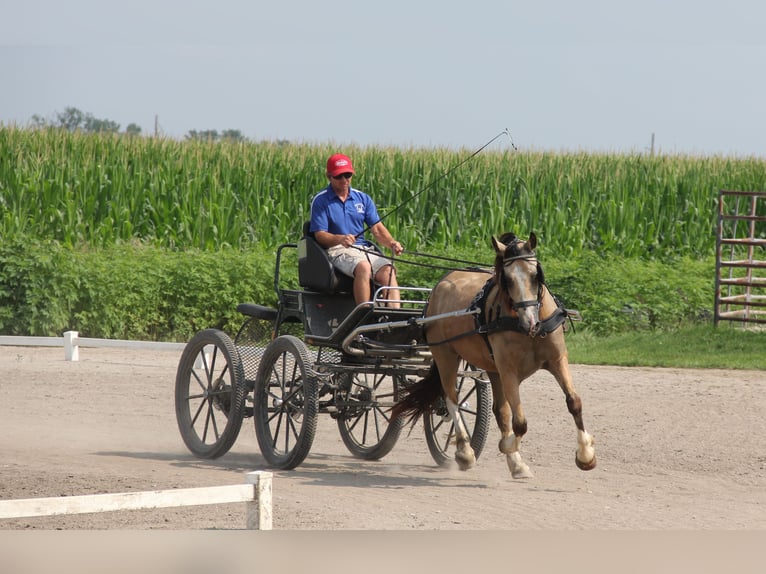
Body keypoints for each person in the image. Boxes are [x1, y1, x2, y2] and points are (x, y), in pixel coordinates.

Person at [309, 153, 404, 306]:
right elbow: (320, 235)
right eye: (339, 176)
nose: (344, 180)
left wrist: (391, 243)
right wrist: (340, 239)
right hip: (337, 249)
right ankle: (363, 314)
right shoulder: (321, 200)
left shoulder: (363, 198)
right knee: (363, 267)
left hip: (362, 248)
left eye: (348, 175)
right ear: (329, 176)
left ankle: (393, 316)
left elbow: (377, 229)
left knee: (389, 270)